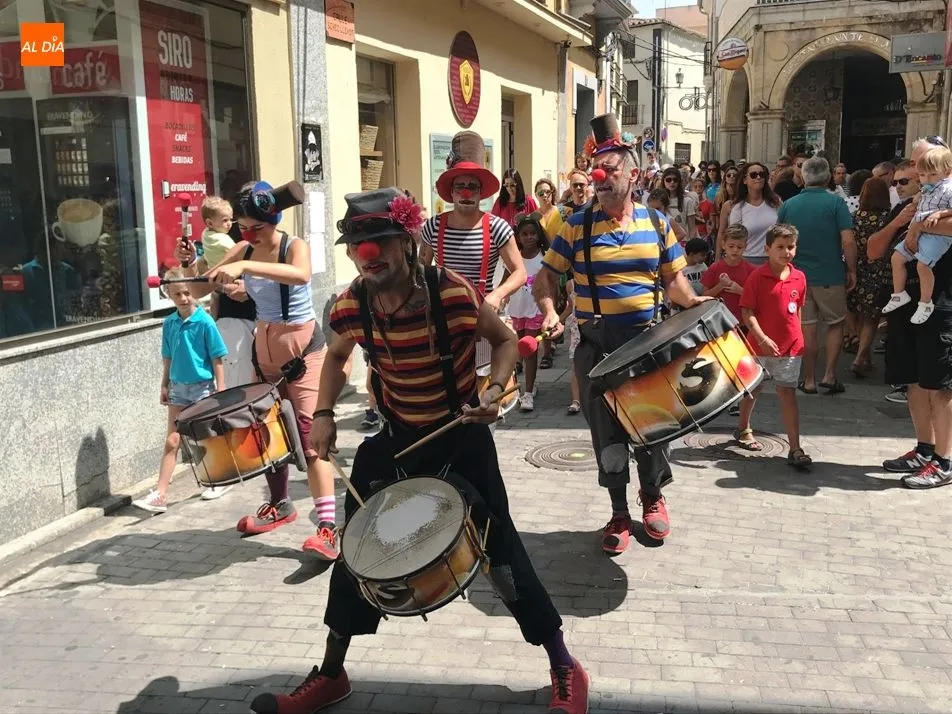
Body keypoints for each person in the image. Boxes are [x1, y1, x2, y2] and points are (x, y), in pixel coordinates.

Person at [249, 187, 590, 714]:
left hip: (460, 435)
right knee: (356, 549)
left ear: (406, 242)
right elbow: (337, 358)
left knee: (500, 553)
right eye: (358, 245)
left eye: (379, 242)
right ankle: (331, 674)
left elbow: (503, 342)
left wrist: (495, 391)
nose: (369, 255)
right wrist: (320, 416)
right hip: (398, 439)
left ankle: (564, 664)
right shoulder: (351, 304)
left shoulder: (450, 294)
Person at [533, 113, 708, 554]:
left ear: (634, 173)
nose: (604, 177)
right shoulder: (576, 226)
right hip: (597, 348)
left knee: (652, 428)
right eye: (600, 169)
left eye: (613, 169)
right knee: (607, 435)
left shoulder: (656, 223)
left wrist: (693, 302)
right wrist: (550, 310)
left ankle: (653, 498)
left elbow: (675, 281)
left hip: (647, 345)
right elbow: (545, 279)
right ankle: (618, 511)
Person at [176, 181, 339, 557]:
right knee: (264, 432)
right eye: (242, 228)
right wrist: (189, 263)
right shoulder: (243, 248)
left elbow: (300, 275)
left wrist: (246, 264)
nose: (247, 235)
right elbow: (200, 289)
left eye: (254, 228)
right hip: (262, 358)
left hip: (303, 356)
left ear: (272, 220)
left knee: (312, 442)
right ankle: (280, 504)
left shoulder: (292, 245)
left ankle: (329, 528)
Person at [868, 139, 952, 487]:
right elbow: (874, 251)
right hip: (906, 306)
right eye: (904, 174)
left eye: (919, 166)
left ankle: (944, 462)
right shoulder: (907, 206)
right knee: (914, 382)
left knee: (940, 385)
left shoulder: (946, 199)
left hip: (942, 305)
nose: (913, 174)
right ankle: (923, 448)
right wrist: (901, 221)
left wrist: (919, 225)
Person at [132, 269, 227, 513]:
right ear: (169, 295)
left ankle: (218, 480)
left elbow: (217, 357)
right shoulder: (170, 323)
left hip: (202, 388)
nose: (183, 298)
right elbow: (168, 356)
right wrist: (164, 384)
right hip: (177, 388)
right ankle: (160, 494)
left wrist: (221, 388)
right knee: (172, 440)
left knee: (205, 437)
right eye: (177, 294)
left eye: (187, 293)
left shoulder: (205, 322)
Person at [777, 156, 856, 395]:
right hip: (830, 274)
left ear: (803, 176)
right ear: (829, 176)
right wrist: (852, 269)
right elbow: (848, 240)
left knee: (807, 328)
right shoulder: (836, 204)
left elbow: (779, 240)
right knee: (835, 324)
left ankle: (809, 379)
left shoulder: (789, 205)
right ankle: (829, 375)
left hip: (797, 275)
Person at [737, 224, 812, 468]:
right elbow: (747, 311)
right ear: (767, 249)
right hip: (759, 349)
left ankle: (795, 447)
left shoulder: (799, 277)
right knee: (752, 391)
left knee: (787, 393)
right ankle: (743, 427)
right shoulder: (757, 277)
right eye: (780, 247)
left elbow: (797, 310)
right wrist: (761, 338)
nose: (786, 252)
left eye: (790, 247)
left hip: (789, 348)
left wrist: (799, 338)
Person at [882, 146, 952, 325]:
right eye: (922, 174)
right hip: (920, 233)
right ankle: (899, 294)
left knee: (923, 265)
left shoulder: (948, 188)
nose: (927, 179)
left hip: (936, 238)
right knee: (897, 258)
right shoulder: (928, 189)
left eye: (932, 174)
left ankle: (925, 302)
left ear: (946, 171)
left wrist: (938, 215)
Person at [846, 177, 892, 376]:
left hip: (858, 268)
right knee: (872, 318)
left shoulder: (856, 216)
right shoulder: (887, 218)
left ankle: (865, 359)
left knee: (860, 314)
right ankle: (860, 358)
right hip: (879, 270)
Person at [507, 212, 549, 411]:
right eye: (525, 234)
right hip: (516, 310)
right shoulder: (514, 258)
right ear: (518, 236)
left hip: (535, 310)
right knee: (519, 353)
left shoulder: (544, 257)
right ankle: (522, 387)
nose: (529, 237)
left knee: (529, 349)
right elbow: (505, 282)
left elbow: (552, 285)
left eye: (533, 233)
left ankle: (528, 392)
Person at [701, 224, 756, 323]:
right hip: (720, 322)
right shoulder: (715, 268)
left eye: (739, 247)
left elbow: (758, 298)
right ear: (723, 245)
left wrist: (739, 290)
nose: (735, 250)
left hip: (743, 322)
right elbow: (704, 296)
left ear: (745, 247)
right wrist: (720, 285)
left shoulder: (751, 270)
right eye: (731, 246)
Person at [729, 162, 781, 266]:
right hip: (747, 260)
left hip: (773, 259)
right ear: (744, 180)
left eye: (761, 175)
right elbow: (733, 238)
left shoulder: (775, 202)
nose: (758, 178)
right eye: (753, 175)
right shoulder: (738, 208)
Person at [661, 166, 698, 241]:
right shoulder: (659, 201)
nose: (672, 182)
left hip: (683, 242)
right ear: (663, 181)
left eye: (675, 180)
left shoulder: (688, 201)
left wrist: (692, 247)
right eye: (668, 180)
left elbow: (692, 228)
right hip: (664, 241)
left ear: (679, 181)